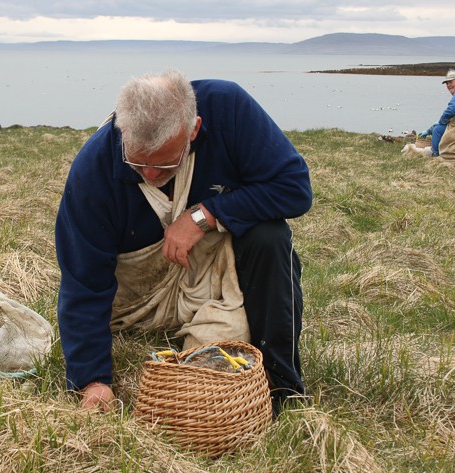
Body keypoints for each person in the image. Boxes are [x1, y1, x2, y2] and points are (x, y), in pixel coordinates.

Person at [55, 70, 312, 415]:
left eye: (162, 166)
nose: (149, 176)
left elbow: (294, 188)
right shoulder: (94, 169)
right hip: (135, 301)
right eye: (137, 162)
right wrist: (93, 380)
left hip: (206, 273)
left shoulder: (229, 109)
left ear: (193, 130)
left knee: (271, 235)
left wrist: (203, 215)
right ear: (123, 132)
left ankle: (281, 387)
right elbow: (83, 280)